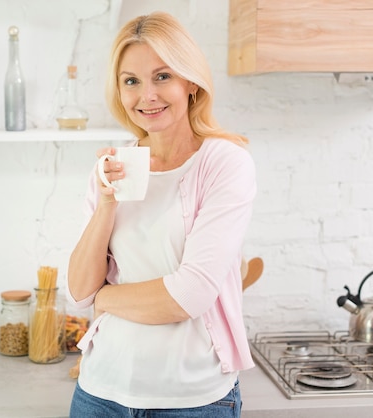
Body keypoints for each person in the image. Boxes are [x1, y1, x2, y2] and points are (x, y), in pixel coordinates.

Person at [67, 11, 256, 418]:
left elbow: (189, 295)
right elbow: (79, 291)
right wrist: (106, 204)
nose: (146, 95)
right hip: (99, 393)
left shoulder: (224, 163)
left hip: (192, 401)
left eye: (163, 76)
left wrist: (105, 297)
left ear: (190, 81)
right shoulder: (114, 167)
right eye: (131, 81)